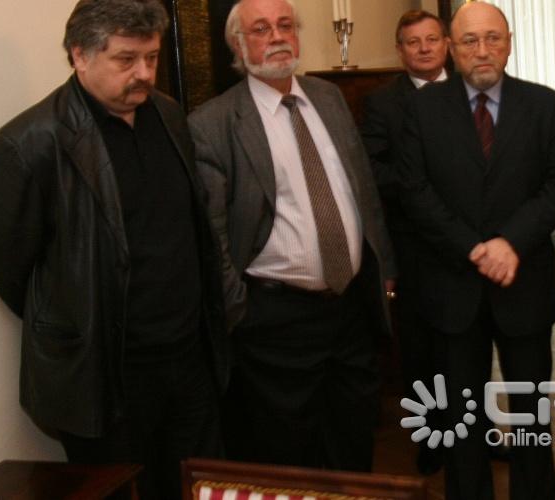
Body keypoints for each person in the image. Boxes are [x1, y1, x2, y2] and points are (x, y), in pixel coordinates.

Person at [0, 1, 234, 498]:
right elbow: (9, 266)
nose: (144, 74)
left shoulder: (168, 114)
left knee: (198, 487)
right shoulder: (30, 143)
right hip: (105, 378)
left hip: (189, 360)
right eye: (125, 59)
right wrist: (75, 323)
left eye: (151, 58)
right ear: (80, 55)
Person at [187, 0, 395, 472]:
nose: (277, 36)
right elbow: (213, 236)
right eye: (261, 28)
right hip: (274, 321)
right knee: (287, 453)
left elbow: (362, 190)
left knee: (354, 439)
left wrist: (384, 268)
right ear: (238, 45)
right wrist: (241, 310)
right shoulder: (213, 123)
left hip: (350, 309)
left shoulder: (328, 97)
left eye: (285, 25)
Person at [399, 2, 555, 498]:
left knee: (531, 420)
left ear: (509, 43)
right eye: (470, 40)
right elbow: (414, 190)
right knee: (461, 423)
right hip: (453, 290)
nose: (483, 50)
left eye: (493, 38)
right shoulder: (421, 109)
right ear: (452, 49)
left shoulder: (544, 104)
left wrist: (509, 242)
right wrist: (474, 249)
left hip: (524, 285)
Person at [360, 9, 448, 476]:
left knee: (472, 345)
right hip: (414, 246)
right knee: (420, 349)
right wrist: (422, 184)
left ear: (446, 43)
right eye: (413, 42)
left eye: (432, 39)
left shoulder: (471, 90)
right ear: (400, 51)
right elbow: (370, 169)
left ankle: (478, 432)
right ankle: (431, 438)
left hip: (472, 245)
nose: (424, 48)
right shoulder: (382, 104)